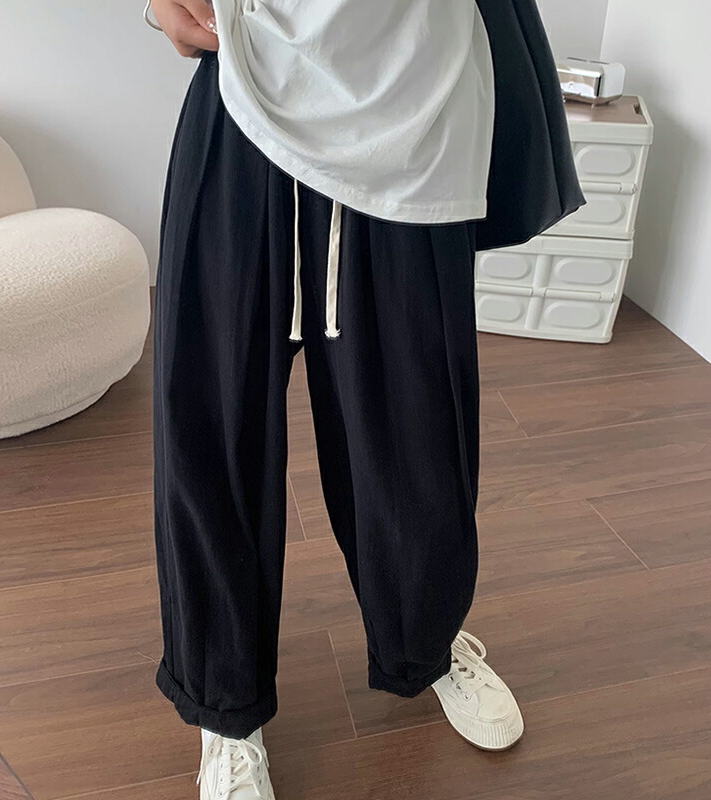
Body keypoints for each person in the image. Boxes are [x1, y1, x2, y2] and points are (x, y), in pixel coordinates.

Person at [148, 1, 584, 798]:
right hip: (249, 77)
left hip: (412, 101)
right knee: (212, 420)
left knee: (419, 420)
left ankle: (427, 639)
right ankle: (223, 700)